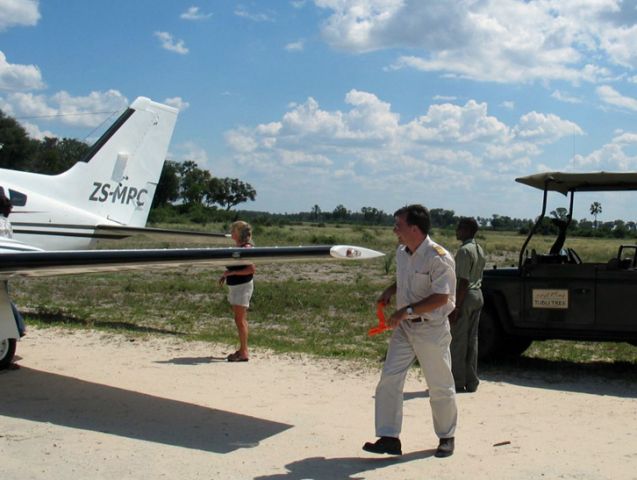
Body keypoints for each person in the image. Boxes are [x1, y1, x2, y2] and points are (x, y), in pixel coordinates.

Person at [363, 204, 458, 458]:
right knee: (389, 379)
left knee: (439, 384)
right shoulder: (403, 253)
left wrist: (405, 311)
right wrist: (390, 291)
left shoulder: (439, 257)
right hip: (405, 328)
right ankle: (388, 437)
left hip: (431, 329)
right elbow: (406, 278)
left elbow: (441, 297)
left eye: (399, 225)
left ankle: (446, 436)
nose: (395, 230)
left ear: (414, 228)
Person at [449, 217, 486, 393]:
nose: (456, 231)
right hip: (478, 295)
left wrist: (456, 306)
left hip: (466, 296)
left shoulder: (464, 251)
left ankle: (457, 381)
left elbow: (462, 281)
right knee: (473, 340)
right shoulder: (479, 249)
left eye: (459, 228)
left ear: (466, 230)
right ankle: (472, 381)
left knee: (458, 340)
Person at [219, 221, 255, 362]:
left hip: (242, 287)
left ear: (239, 233)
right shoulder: (240, 247)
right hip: (237, 287)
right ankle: (242, 349)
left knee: (240, 320)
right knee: (240, 319)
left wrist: (230, 274)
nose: (231, 233)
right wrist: (227, 274)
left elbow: (251, 270)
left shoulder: (246, 248)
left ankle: (244, 351)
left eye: (233, 230)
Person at [0, 194, 26, 338]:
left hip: (2, 264)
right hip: (6, 264)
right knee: (3, 297)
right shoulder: (5, 222)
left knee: (3, 299)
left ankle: (18, 326)